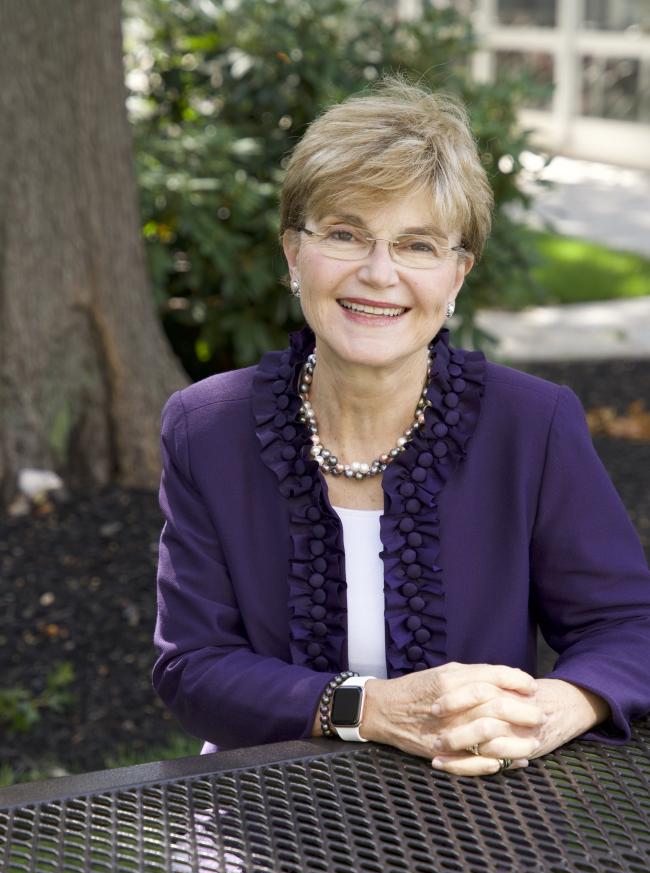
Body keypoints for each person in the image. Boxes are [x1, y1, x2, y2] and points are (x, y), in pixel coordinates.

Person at [153, 77, 650, 777]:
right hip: (263, 811)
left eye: (417, 245)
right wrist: (369, 709)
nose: (378, 273)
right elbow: (193, 669)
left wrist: (550, 708)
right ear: (294, 255)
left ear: (458, 275)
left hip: (476, 812)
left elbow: (628, 626)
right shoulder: (208, 428)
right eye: (345, 234)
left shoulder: (532, 424)